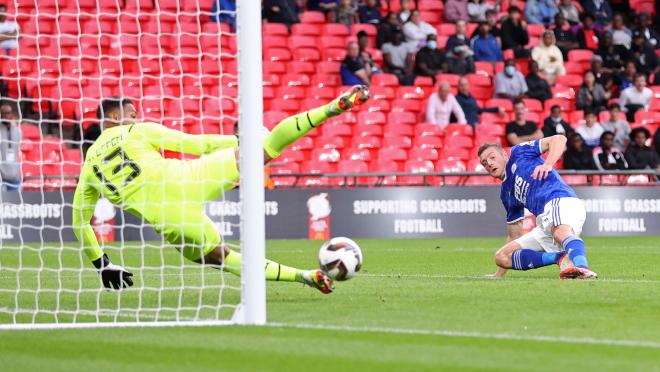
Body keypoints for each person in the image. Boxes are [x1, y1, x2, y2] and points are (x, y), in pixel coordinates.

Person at [72, 85, 371, 292]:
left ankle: (304, 277)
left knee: (221, 258)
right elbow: (196, 144)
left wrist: (103, 265)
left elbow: (79, 223)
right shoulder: (138, 131)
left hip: (170, 218)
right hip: (190, 177)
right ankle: (331, 108)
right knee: (265, 150)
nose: (136, 118)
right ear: (113, 118)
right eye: (131, 113)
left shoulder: (88, 168)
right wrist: (245, 141)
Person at [477, 136, 598, 279]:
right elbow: (514, 233)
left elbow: (559, 139)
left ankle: (582, 268)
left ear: (504, 154)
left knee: (560, 232)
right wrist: (498, 275)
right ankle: (560, 258)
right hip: (544, 222)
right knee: (502, 257)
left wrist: (548, 164)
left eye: (492, 157)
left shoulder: (519, 153)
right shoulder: (506, 193)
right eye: (485, 163)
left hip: (559, 200)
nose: (489, 163)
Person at [0, 100, 21, 191]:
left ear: (11, 114)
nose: (6, 116)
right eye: (3, 113)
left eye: (8, 113)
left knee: (15, 203)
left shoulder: (18, 131)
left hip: (14, 175)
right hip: (1, 177)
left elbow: (18, 151)